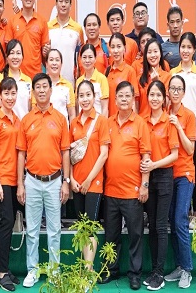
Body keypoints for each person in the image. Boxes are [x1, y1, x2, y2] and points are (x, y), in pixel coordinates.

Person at [16, 73, 70, 288]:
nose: (41, 90)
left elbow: (65, 152)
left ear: (50, 90)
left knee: (54, 230)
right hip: (32, 181)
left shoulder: (60, 119)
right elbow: (21, 153)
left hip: (55, 181)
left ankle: (54, 270)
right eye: (37, 87)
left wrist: (66, 181)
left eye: (44, 86)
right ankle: (33, 270)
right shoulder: (26, 120)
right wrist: (20, 183)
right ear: (33, 91)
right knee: (32, 230)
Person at [99, 81, 151, 291]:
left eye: (127, 95)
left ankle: (134, 274)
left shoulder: (140, 124)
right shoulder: (108, 123)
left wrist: (144, 185)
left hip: (133, 192)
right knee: (111, 235)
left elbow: (146, 157)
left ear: (133, 99)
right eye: (120, 95)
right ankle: (110, 270)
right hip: (111, 190)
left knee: (135, 235)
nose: (123, 99)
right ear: (115, 99)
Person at [140, 80, 178, 291]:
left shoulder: (169, 121)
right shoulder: (143, 121)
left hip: (163, 176)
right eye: (151, 94)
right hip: (148, 176)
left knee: (161, 225)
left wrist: (154, 164)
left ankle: (159, 273)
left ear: (164, 98)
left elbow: (174, 155)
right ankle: (154, 270)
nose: (154, 98)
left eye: (158, 95)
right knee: (152, 225)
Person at [69, 81, 110, 268]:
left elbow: (104, 154)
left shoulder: (101, 121)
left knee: (90, 226)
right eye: (81, 96)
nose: (85, 99)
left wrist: (88, 180)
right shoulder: (74, 123)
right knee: (81, 226)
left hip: (93, 183)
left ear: (94, 97)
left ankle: (88, 268)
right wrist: (71, 179)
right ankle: (86, 266)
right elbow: (70, 155)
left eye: (88, 95)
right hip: (77, 183)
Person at [0, 77, 22, 292]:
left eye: (13, 93)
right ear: (0, 96)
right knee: (7, 222)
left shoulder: (17, 120)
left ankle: (6, 269)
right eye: (6, 93)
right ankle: (1, 273)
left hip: (15, 180)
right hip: (2, 180)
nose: (10, 97)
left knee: (11, 223)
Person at [170, 32, 196, 215]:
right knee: (178, 163)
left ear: (194, 50)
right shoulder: (173, 73)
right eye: (183, 47)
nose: (185, 51)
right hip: (176, 122)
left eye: (189, 47)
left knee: (195, 165)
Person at [164, 75, 196, 289]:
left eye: (179, 89)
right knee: (172, 222)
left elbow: (190, 149)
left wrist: (179, 127)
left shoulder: (189, 115)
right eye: (172, 89)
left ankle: (187, 269)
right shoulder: (164, 112)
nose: (175, 92)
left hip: (184, 174)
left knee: (180, 220)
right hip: (168, 174)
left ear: (183, 93)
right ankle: (179, 265)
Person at [7, 0, 50, 78]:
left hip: (36, 76)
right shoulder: (12, 21)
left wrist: (47, 51)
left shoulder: (42, 21)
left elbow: (45, 53)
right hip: (16, 76)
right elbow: (8, 51)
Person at [48, 0, 84, 85]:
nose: (63, 4)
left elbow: (80, 56)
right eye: (60, 1)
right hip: (50, 82)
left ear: (71, 5)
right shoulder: (48, 27)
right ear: (56, 4)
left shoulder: (78, 29)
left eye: (66, 2)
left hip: (70, 82)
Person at [0, 39, 33, 120]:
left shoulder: (28, 80)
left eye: (18, 53)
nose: (15, 57)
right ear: (7, 57)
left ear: (22, 57)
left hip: (24, 125)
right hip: (7, 125)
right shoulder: (0, 77)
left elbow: (30, 108)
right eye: (12, 53)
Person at [106, 33, 139, 116]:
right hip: (110, 120)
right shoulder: (107, 71)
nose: (115, 51)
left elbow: (134, 101)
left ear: (124, 48)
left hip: (125, 119)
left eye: (119, 46)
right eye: (112, 47)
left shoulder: (130, 71)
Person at [138, 38, 171, 117]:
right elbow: (136, 105)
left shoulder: (168, 77)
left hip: (161, 121)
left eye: (155, 51)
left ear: (160, 54)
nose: (153, 55)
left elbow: (166, 104)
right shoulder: (139, 79)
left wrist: (158, 83)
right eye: (149, 52)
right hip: (143, 121)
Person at [75, 44, 109, 116]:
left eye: (90, 57)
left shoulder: (102, 79)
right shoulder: (79, 81)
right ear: (80, 59)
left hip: (97, 121)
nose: (87, 60)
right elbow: (78, 108)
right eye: (84, 57)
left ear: (95, 58)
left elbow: (105, 108)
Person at [45, 48, 76, 123]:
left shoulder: (68, 86)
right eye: (51, 60)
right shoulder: (41, 85)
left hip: (63, 128)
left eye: (57, 60)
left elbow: (72, 114)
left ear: (61, 64)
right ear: (46, 64)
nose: (54, 63)